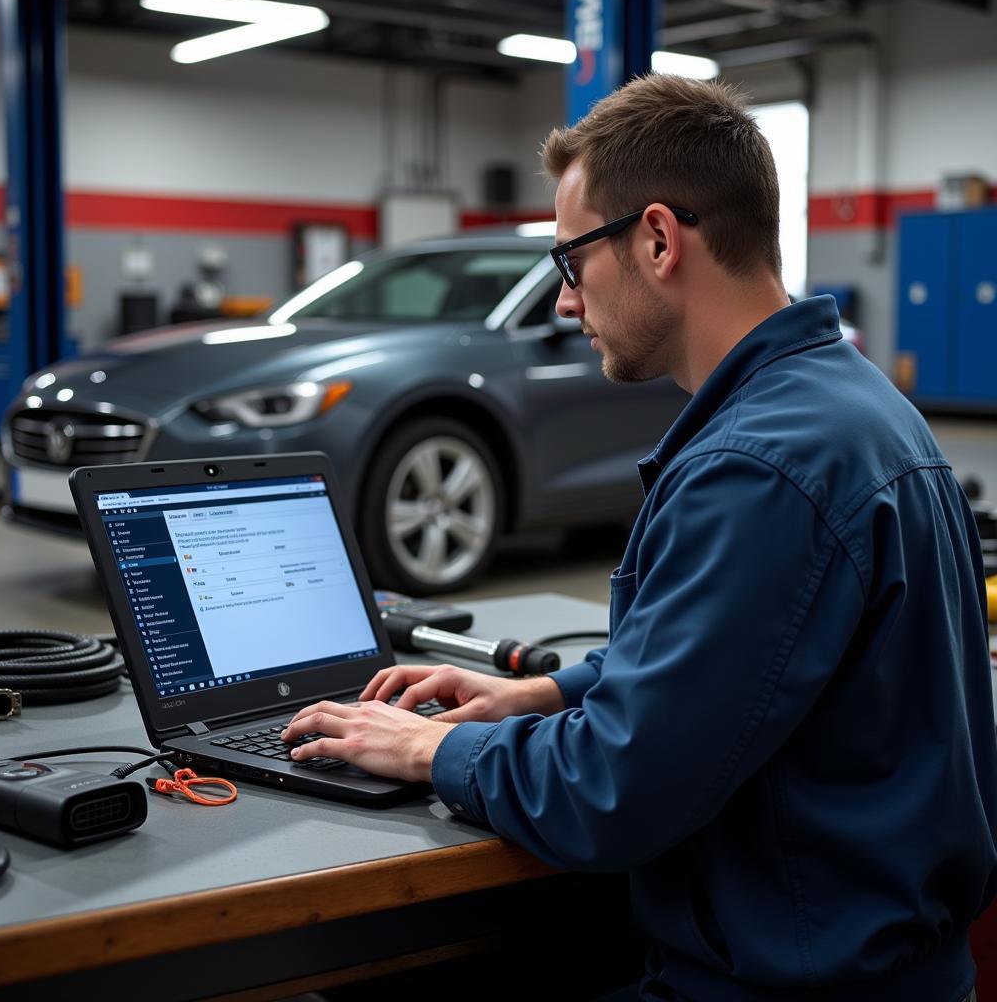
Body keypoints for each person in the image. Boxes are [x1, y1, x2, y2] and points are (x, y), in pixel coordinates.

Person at [281, 74, 997, 1001]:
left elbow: (609, 792)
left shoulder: (762, 466)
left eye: (570, 261)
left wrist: (426, 750)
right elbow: (750, 666)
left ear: (658, 240)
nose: (566, 303)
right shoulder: (851, 406)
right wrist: (537, 694)